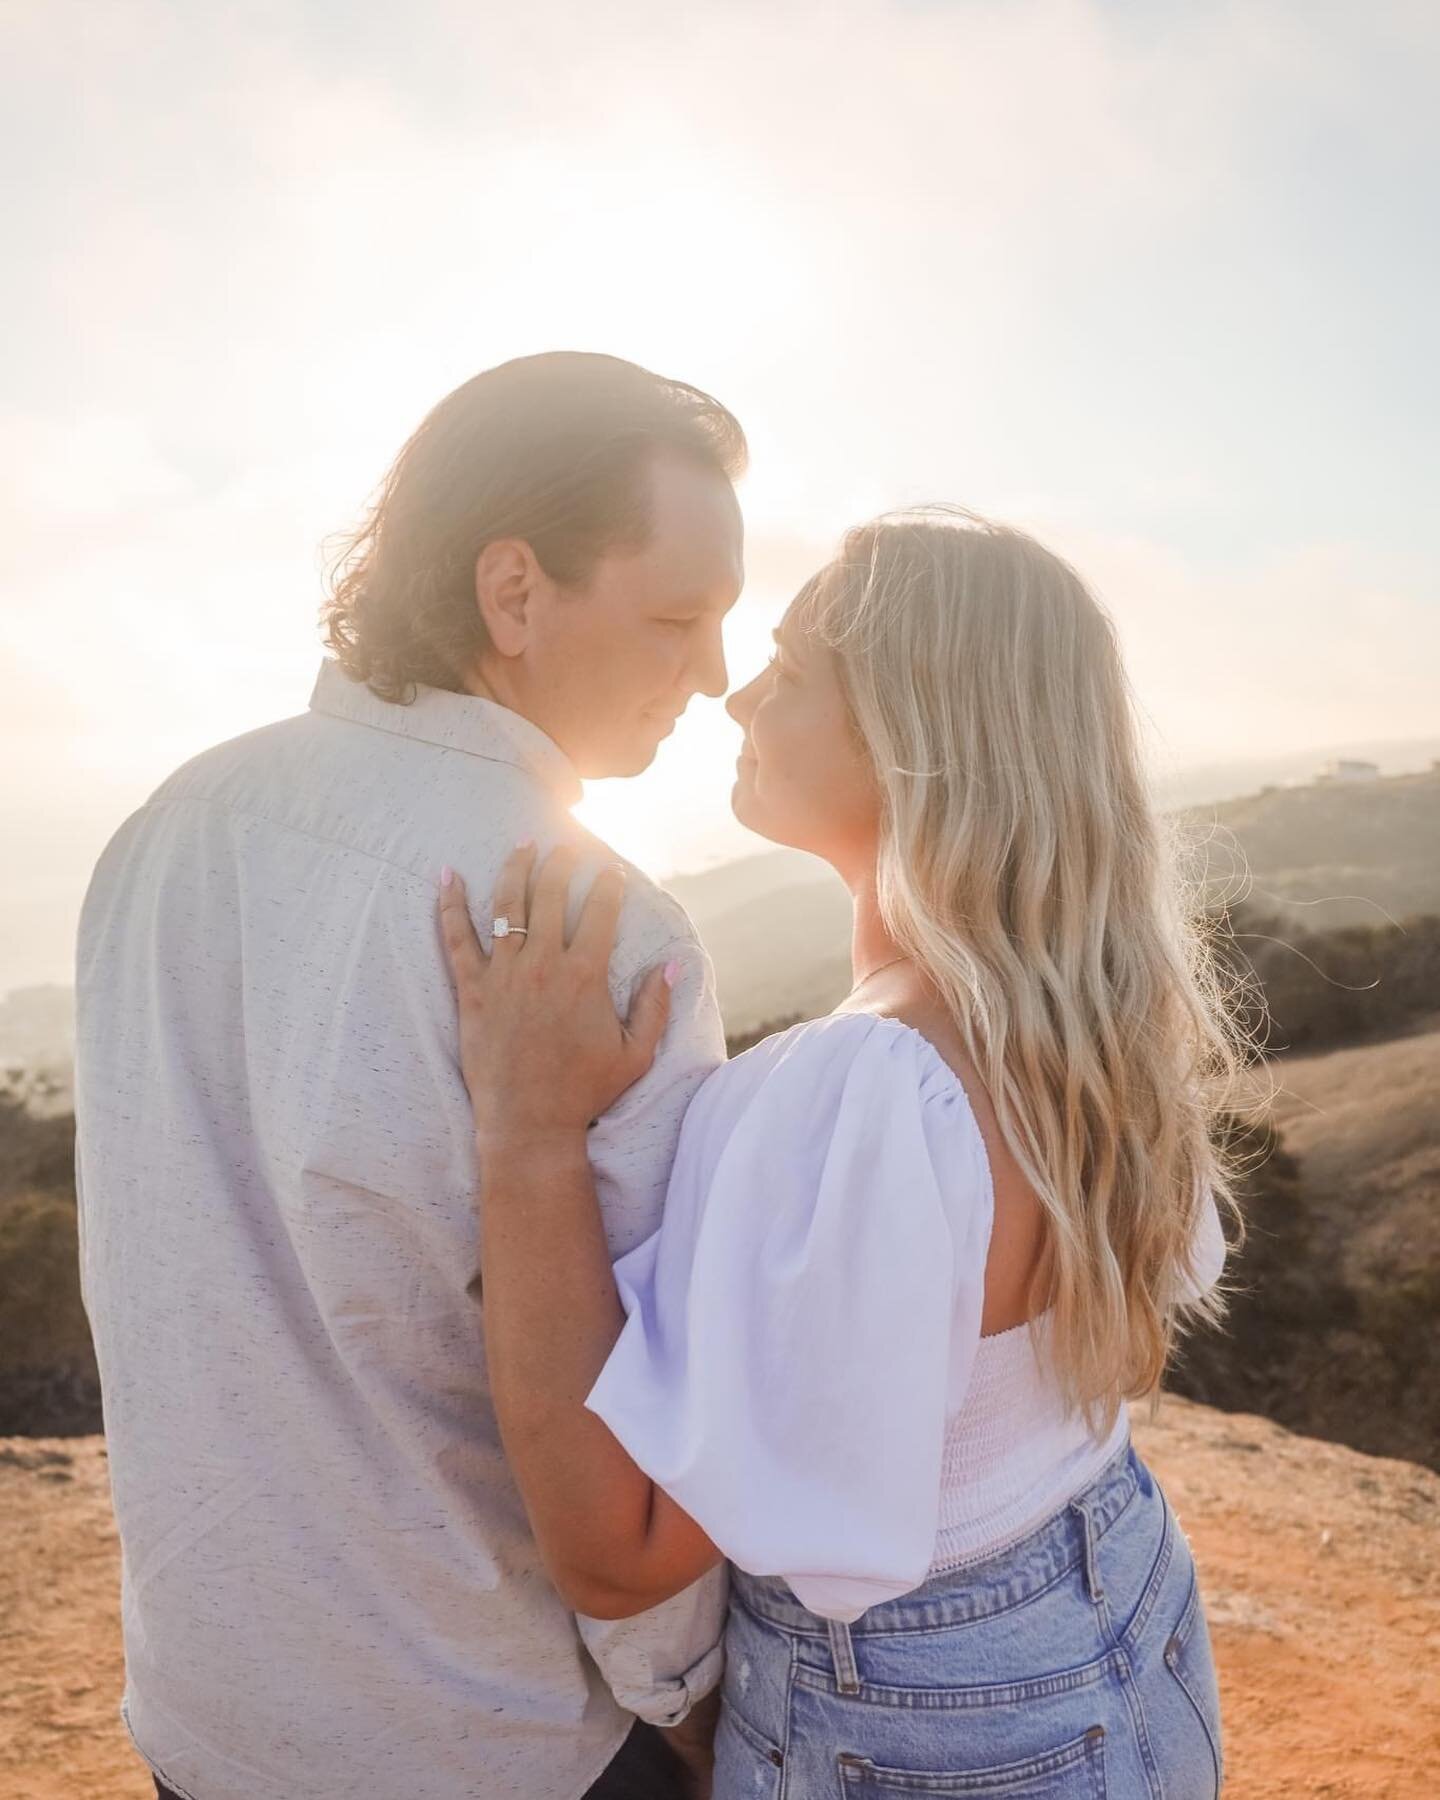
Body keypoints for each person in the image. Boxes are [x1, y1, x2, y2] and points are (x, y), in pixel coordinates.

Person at [435, 509, 1243, 1800]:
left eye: (790, 670)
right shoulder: (1095, 1020)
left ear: (913, 743)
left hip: (932, 1717)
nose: (737, 695)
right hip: (1121, 1600)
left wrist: (527, 1134)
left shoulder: (870, 1090)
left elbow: (617, 1550)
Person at [73, 351, 748, 1800]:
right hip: (496, 1738)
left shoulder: (162, 831)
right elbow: (630, 1413)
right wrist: (689, 1707)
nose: (715, 677)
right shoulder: (600, 929)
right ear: (515, 595)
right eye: (679, 620)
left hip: (210, 1711)